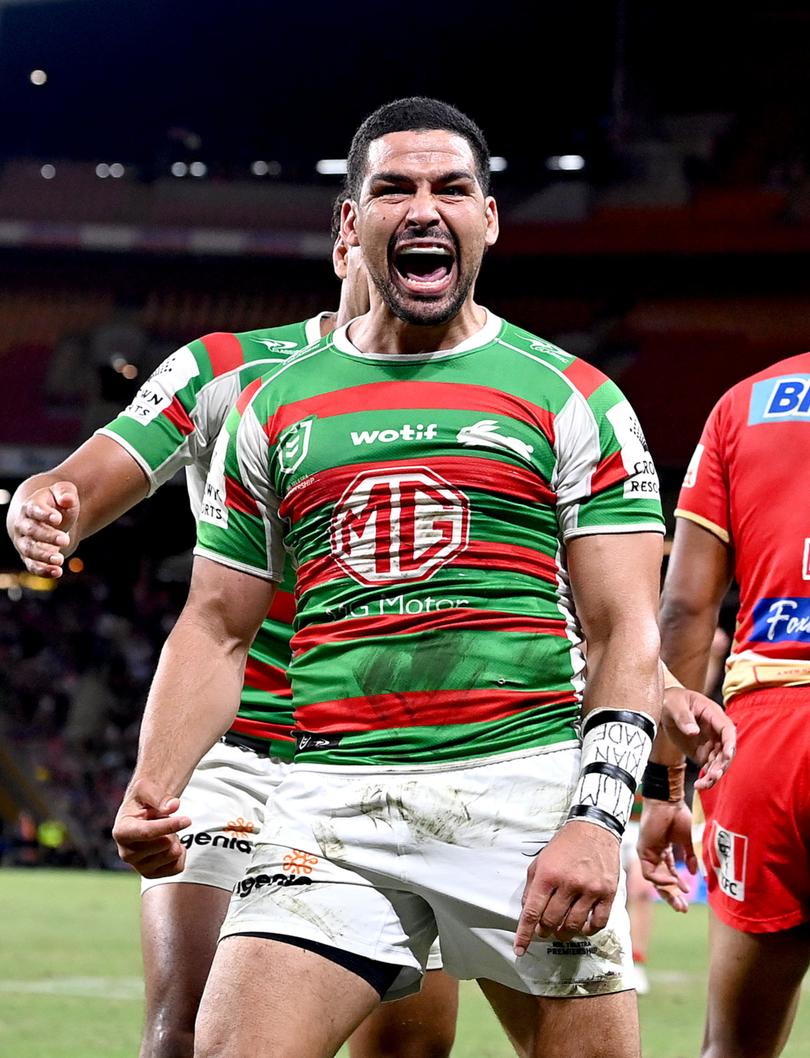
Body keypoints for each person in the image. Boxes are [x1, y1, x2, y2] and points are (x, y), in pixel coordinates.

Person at [109, 95, 679, 1058]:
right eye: (394, 189)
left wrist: (597, 820)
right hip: (332, 810)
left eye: (452, 188)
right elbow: (217, 627)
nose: (424, 208)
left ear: (488, 220)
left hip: (523, 799)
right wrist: (153, 783)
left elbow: (626, 630)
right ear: (351, 223)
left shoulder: (574, 396)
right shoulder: (271, 406)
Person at [7, 223, 459, 1058]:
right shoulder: (226, 367)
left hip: (389, 759)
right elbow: (91, 472)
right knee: (187, 1033)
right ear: (343, 246)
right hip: (239, 749)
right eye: (382, 226)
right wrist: (43, 500)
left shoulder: (478, 393)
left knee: (410, 1049)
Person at [643, 350, 810, 1058]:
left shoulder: (747, 402)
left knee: (735, 1047)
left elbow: (683, 610)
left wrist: (664, 788)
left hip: (771, 737)